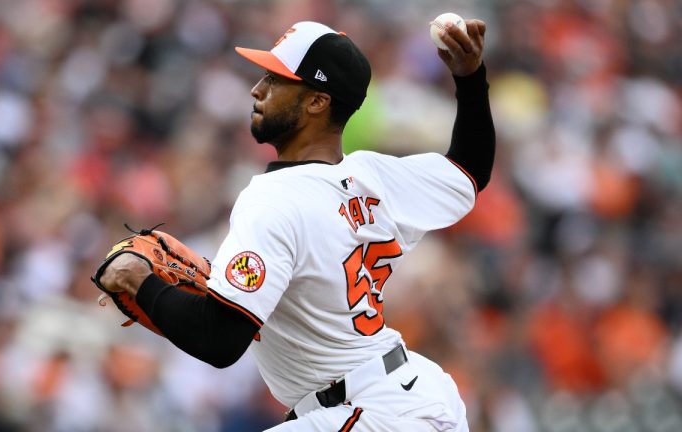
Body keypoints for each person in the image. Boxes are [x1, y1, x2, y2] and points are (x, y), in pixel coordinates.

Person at [98, 18, 493, 431]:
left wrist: (138, 281)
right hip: (404, 397)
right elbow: (470, 169)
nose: (257, 89)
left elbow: (218, 340)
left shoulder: (274, 199)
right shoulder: (375, 177)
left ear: (317, 102)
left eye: (276, 79)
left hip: (373, 411)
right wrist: (470, 79)